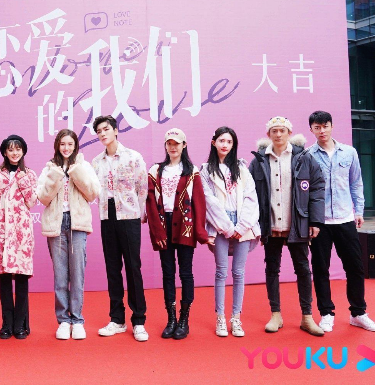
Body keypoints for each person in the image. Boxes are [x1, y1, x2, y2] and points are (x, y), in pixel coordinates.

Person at [249, 116, 325, 336]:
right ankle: (276, 314)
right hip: (270, 224)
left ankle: (307, 317)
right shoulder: (259, 160)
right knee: (272, 268)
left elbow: (317, 188)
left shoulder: (305, 157)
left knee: (303, 269)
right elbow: (249, 194)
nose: (278, 134)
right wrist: (254, 224)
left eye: (282, 130)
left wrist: (315, 221)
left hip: (297, 223)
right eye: (274, 131)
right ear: (268, 134)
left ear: (289, 133)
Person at [307, 111, 375, 332]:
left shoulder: (349, 152)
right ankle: (326, 313)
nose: (322, 131)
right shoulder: (308, 155)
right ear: (311, 129)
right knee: (321, 269)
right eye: (317, 127)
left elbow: (356, 183)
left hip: (345, 218)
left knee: (355, 267)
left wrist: (359, 210)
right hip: (320, 221)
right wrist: (309, 220)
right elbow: (305, 191)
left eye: (325, 126)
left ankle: (358, 313)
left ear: (331, 126)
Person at [37, 129, 100, 340]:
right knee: (61, 276)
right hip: (56, 224)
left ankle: (78, 320)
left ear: (75, 146)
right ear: (57, 145)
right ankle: (63, 320)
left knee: (77, 274)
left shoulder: (84, 166)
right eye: (63, 144)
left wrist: (76, 172)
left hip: (77, 224)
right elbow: (42, 197)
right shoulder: (49, 168)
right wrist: (56, 176)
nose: (66, 148)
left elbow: (92, 193)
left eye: (70, 144)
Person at [146, 128, 208, 340]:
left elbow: (199, 202)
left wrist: (200, 232)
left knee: (186, 273)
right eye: (169, 143)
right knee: (167, 272)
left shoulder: (192, 171)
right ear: (165, 146)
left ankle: (184, 319)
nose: (173, 147)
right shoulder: (156, 170)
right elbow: (150, 202)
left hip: (185, 225)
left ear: (184, 145)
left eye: (177, 143)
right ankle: (171, 319)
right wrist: (156, 230)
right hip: (164, 224)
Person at [91, 115, 149, 342]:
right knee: (112, 268)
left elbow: (142, 187)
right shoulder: (96, 162)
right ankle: (117, 319)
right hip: (107, 216)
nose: (102, 134)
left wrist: (139, 213)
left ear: (115, 130)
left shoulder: (133, 157)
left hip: (129, 216)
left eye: (106, 129)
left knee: (133, 267)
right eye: (99, 131)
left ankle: (139, 320)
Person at [200, 126, 260, 338]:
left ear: (233, 145)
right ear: (214, 142)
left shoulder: (242, 168)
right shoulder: (206, 170)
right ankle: (220, 318)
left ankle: (236, 318)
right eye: (221, 141)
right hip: (219, 224)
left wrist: (242, 226)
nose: (225, 145)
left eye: (229, 142)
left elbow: (251, 198)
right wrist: (226, 227)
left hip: (243, 222)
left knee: (239, 272)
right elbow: (209, 201)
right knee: (221, 272)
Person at [0, 135, 38, 340]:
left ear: (23, 151)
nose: (15, 153)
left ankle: (20, 325)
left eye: (18, 149)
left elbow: (32, 202)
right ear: (5, 152)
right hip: (2, 233)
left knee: (22, 279)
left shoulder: (30, 174)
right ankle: (6, 324)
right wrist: (0, 184)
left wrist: (23, 181)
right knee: (5, 279)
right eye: (10, 149)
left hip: (22, 234)